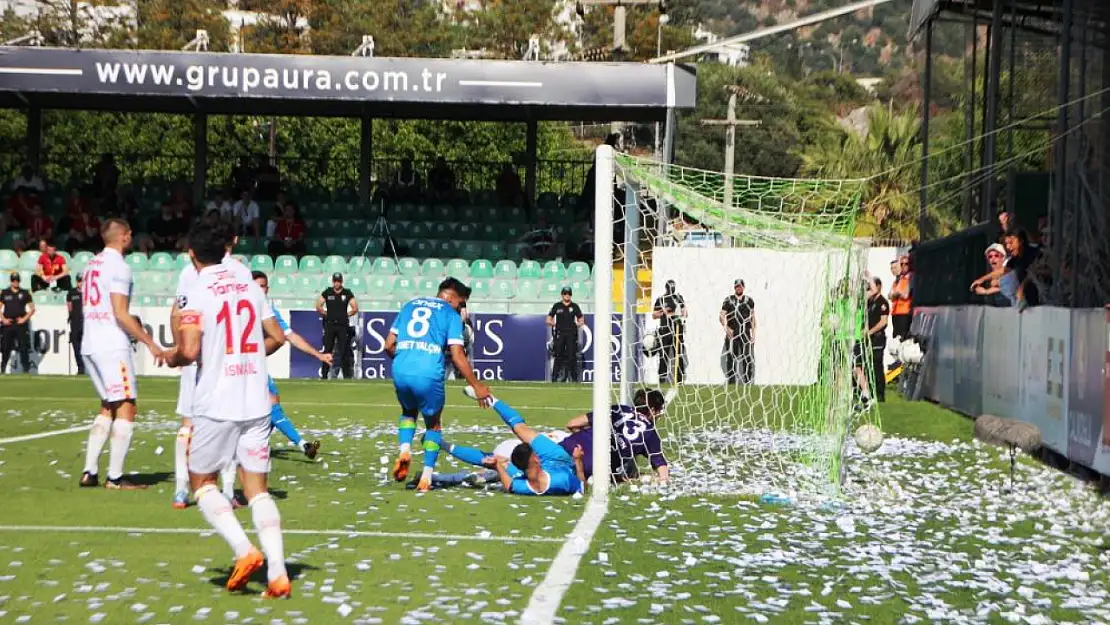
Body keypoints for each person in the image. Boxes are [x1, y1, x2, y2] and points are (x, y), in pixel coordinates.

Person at [162, 223, 291, 598]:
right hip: (255, 400)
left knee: (201, 482)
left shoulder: (194, 290)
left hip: (216, 402)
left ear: (191, 255)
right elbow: (278, 337)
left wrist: (171, 357)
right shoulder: (250, 285)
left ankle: (243, 550)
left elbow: (188, 351)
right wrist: (244, 355)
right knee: (258, 491)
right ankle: (278, 573)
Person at [170, 226, 256, 509]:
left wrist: (180, 348)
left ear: (193, 251)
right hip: (230, 360)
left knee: (188, 422)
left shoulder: (188, 273)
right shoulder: (241, 272)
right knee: (232, 421)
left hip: (198, 356)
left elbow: (178, 312)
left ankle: (182, 487)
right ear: (231, 243)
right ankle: (229, 491)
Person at [79, 218, 164, 490]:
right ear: (125, 236)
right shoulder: (120, 267)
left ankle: (89, 471)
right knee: (126, 405)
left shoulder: (91, 264)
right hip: (111, 344)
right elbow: (120, 313)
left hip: (90, 342)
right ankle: (115, 477)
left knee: (108, 405)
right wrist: (150, 342)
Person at [384, 278, 491, 492]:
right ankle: (426, 477)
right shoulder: (450, 315)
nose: (462, 309)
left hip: (401, 367)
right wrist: (477, 385)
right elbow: (458, 355)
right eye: (461, 304)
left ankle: (405, 450)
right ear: (450, 298)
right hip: (428, 372)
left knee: (408, 412)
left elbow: (388, 345)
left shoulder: (410, 305)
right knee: (433, 424)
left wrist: (409, 356)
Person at [254, 270, 328, 458]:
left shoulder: (268, 312)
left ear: (267, 289)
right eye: (255, 286)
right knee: (270, 402)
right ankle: (301, 444)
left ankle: (255, 443)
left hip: (254, 366)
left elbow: (290, 336)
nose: (259, 290)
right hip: (237, 366)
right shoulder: (239, 308)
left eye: (262, 286)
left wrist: (317, 355)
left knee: (273, 400)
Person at [469, 385, 584, 496]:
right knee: (519, 433)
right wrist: (578, 461)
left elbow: (509, 485)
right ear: (536, 459)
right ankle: (491, 400)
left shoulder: (522, 485)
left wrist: (498, 466)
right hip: (557, 456)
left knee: (499, 462)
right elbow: (582, 486)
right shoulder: (560, 480)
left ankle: (462, 471)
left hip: (530, 464)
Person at [854, 277, 889, 409]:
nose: (868, 289)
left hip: (877, 338)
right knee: (863, 366)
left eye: (870, 286)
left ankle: (879, 395)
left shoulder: (882, 302)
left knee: (876, 365)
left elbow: (883, 322)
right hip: (865, 338)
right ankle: (868, 393)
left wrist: (869, 332)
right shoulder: (868, 302)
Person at [316, 273, 358, 379]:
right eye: (335, 281)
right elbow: (318, 306)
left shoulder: (347, 293)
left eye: (338, 281)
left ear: (341, 281)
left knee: (344, 350)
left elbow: (355, 308)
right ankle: (324, 376)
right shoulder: (328, 292)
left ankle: (347, 376)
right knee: (328, 350)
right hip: (330, 325)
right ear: (333, 281)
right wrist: (327, 313)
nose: (337, 283)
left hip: (342, 326)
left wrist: (345, 315)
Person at [720, 278, 756, 384]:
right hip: (732, 332)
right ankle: (731, 383)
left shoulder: (749, 300)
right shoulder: (728, 300)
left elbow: (753, 318)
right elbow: (721, 315)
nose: (738, 288)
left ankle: (748, 381)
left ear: (743, 287)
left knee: (747, 356)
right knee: (731, 357)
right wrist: (727, 329)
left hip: (745, 331)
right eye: (736, 286)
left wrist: (753, 334)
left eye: (740, 286)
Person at [652, 280, 687, 384]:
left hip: (677, 329)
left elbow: (685, 313)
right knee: (663, 355)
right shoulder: (661, 299)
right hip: (665, 330)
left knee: (679, 354)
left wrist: (679, 312)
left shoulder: (678, 298)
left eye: (673, 287)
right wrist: (664, 311)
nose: (672, 289)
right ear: (666, 287)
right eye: (670, 287)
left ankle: (679, 381)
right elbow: (654, 315)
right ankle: (662, 379)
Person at [547, 286, 584, 383]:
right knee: (558, 356)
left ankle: (574, 379)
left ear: (571, 295)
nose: (567, 295)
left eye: (569, 294)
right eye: (565, 293)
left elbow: (581, 320)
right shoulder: (557, 306)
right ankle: (554, 379)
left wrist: (577, 324)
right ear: (562, 294)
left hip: (571, 334)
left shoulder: (575, 306)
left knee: (572, 357)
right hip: (560, 334)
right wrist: (555, 324)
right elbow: (548, 319)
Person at [0, 273, 34, 374]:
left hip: (20, 324)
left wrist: (24, 319)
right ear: (11, 281)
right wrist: (3, 319)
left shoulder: (25, 293)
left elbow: (32, 309)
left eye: (17, 280)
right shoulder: (5, 293)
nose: (16, 282)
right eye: (14, 280)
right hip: (8, 324)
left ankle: (26, 370)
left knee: (23, 347)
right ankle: (3, 368)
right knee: (5, 347)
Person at [888, 255, 912, 340]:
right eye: (901, 264)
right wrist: (896, 294)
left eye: (906, 264)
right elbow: (890, 295)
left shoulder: (910, 277)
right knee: (896, 338)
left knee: (902, 337)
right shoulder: (898, 279)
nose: (903, 266)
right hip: (896, 312)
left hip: (904, 312)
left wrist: (897, 293)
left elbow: (905, 295)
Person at [66, 273, 85, 375]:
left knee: (85, 345)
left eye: (82, 281)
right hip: (75, 322)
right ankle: (80, 367)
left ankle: (88, 367)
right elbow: (69, 305)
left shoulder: (88, 293)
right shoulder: (71, 292)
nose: (81, 283)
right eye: (79, 281)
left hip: (86, 322)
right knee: (76, 345)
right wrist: (70, 314)